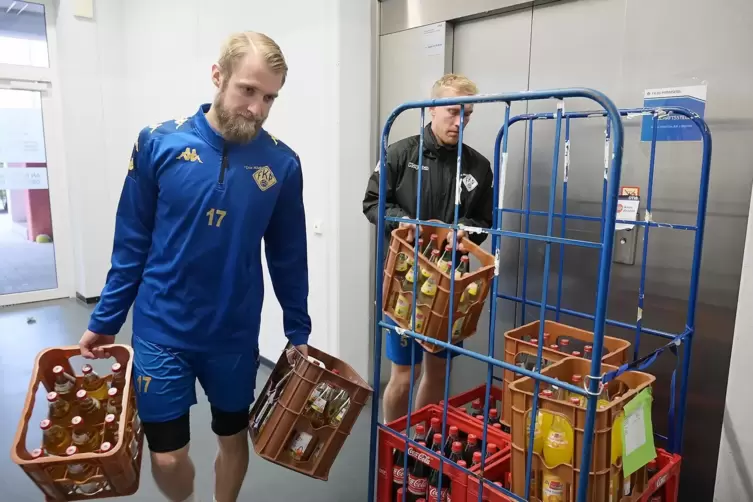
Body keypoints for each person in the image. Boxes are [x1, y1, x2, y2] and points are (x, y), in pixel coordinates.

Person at [79, 32, 311, 502]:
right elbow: (131, 245)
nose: (258, 109)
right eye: (248, 90)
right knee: (166, 456)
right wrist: (106, 320)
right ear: (217, 76)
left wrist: (297, 330)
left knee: (233, 437)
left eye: (270, 97)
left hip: (233, 331)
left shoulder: (281, 164)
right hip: (162, 327)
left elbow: (288, 254)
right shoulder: (158, 144)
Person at [362, 74, 493, 422]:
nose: (459, 121)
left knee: (437, 372)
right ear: (432, 109)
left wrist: (464, 234)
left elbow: (483, 221)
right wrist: (402, 221)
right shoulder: (399, 154)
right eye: (452, 111)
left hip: (451, 284)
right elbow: (372, 203)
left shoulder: (479, 166)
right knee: (403, 374)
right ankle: (393, 441)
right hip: (405, 283)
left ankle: (420, 445)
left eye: (466, 114)